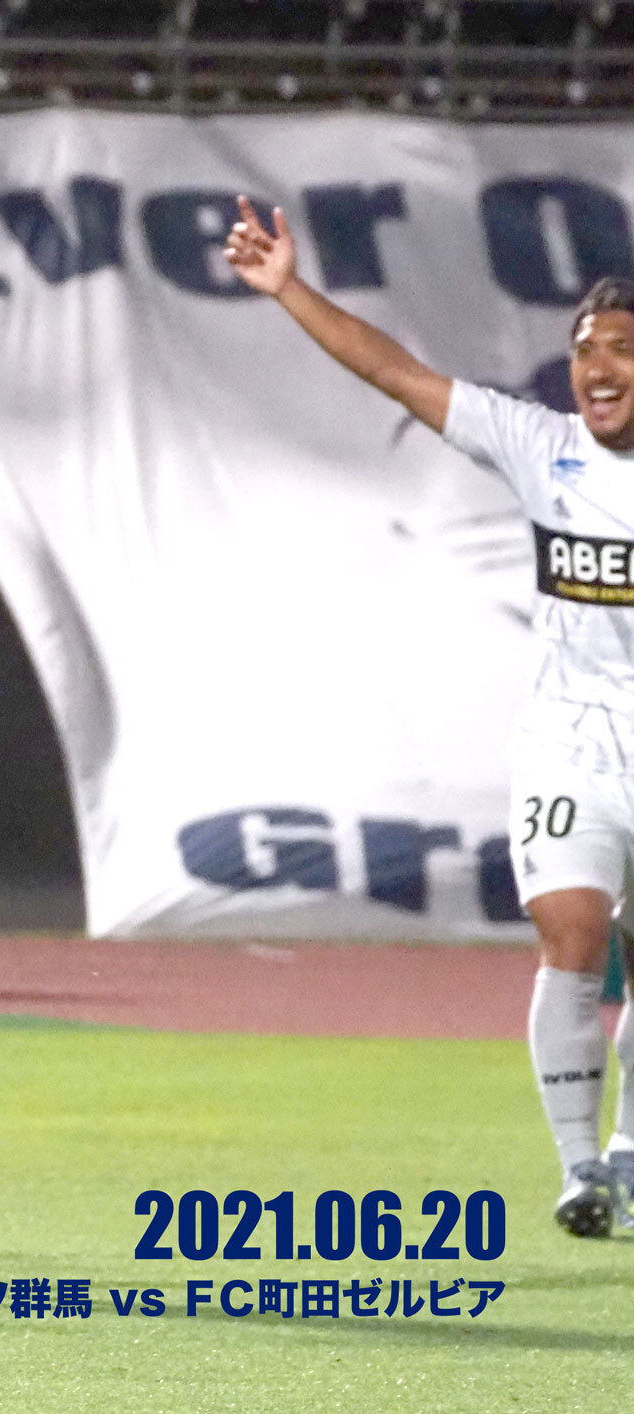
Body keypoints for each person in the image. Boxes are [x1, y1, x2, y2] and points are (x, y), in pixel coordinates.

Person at [227, 197, 634, 1237]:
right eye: (584, 349)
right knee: (571, 931)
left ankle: (631, 1150)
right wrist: (288, 289)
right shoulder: (541, 445)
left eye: (620, 350)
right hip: (567, 744)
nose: (598, 368)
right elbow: (395, 372)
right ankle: (581, 1167)